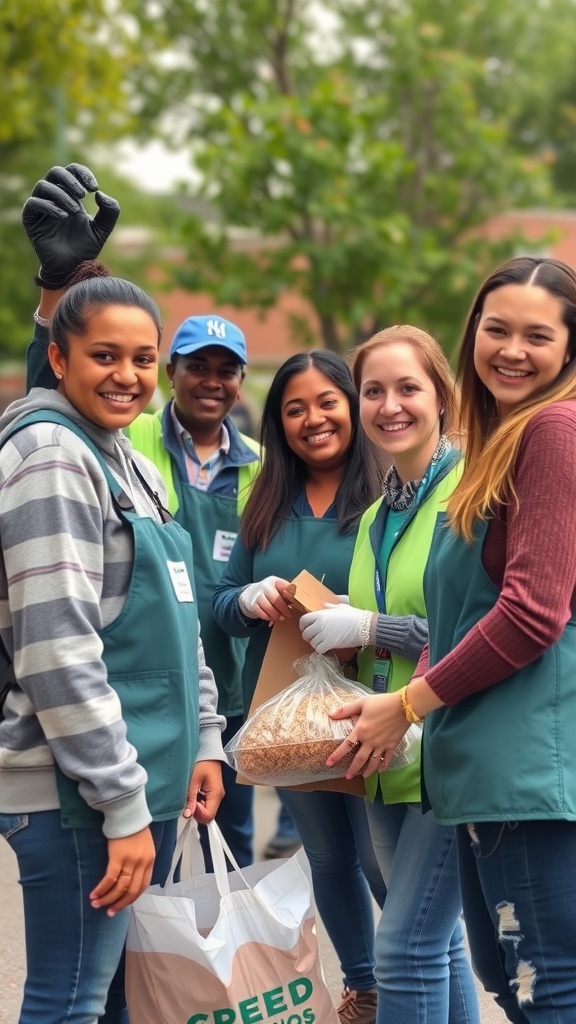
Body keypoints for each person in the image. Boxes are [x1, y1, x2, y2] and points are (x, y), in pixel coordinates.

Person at [328, 257, 576, 1022]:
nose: (511, 349)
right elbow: (465, 613)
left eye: (538, 335)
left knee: (544, 987)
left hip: (525, 771)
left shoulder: (554, 430)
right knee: (505, 982)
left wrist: (406, 702)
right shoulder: (500, 445)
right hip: (476, 770)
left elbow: (534, 611)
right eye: (496, 328)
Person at [0, 244, 225, 1020]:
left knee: (111, 1002)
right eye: (102, 355)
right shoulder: (50, 455)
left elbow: (182, 618)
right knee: (70, 1001)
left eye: (141, 358)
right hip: (78, 797)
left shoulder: (132, 462)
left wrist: (205, 740)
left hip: (143, 775)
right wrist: (123, 806)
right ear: (57, 359)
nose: (125, 374)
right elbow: (55, 648)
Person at [23, 163, 260, 869]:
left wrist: (208, 734)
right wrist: (57, 290)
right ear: (177, 375)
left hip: (204, 706)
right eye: (195, 366)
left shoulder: (255, 467)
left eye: (227, 369)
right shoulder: (125, 439)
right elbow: (54, 408)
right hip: (109, 741)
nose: (211, 380)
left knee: (226, 860)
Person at [297, 326, 479, 1024]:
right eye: (374, 390)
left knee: (404, 950)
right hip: (381, 754)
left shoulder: (471, 492)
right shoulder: (376, 517)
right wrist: (334, 617)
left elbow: (480, 632)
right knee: (438, 948)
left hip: (446, 750)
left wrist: (373, 627)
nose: (389, 405)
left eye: (408, 388)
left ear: (442, 396)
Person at [213, 351, 387, 1024]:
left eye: (326, 402)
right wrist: (250, 598)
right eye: (294, 408)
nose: (313, 419)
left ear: (351, 405)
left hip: (370, 706)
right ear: (278, 423)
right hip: (287, 715)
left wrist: (360, 613)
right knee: (328, 855)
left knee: (384, 860)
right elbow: (219, 602)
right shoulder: (264, 500)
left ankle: (415, 975)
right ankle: (366, 990)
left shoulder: (385, 495)